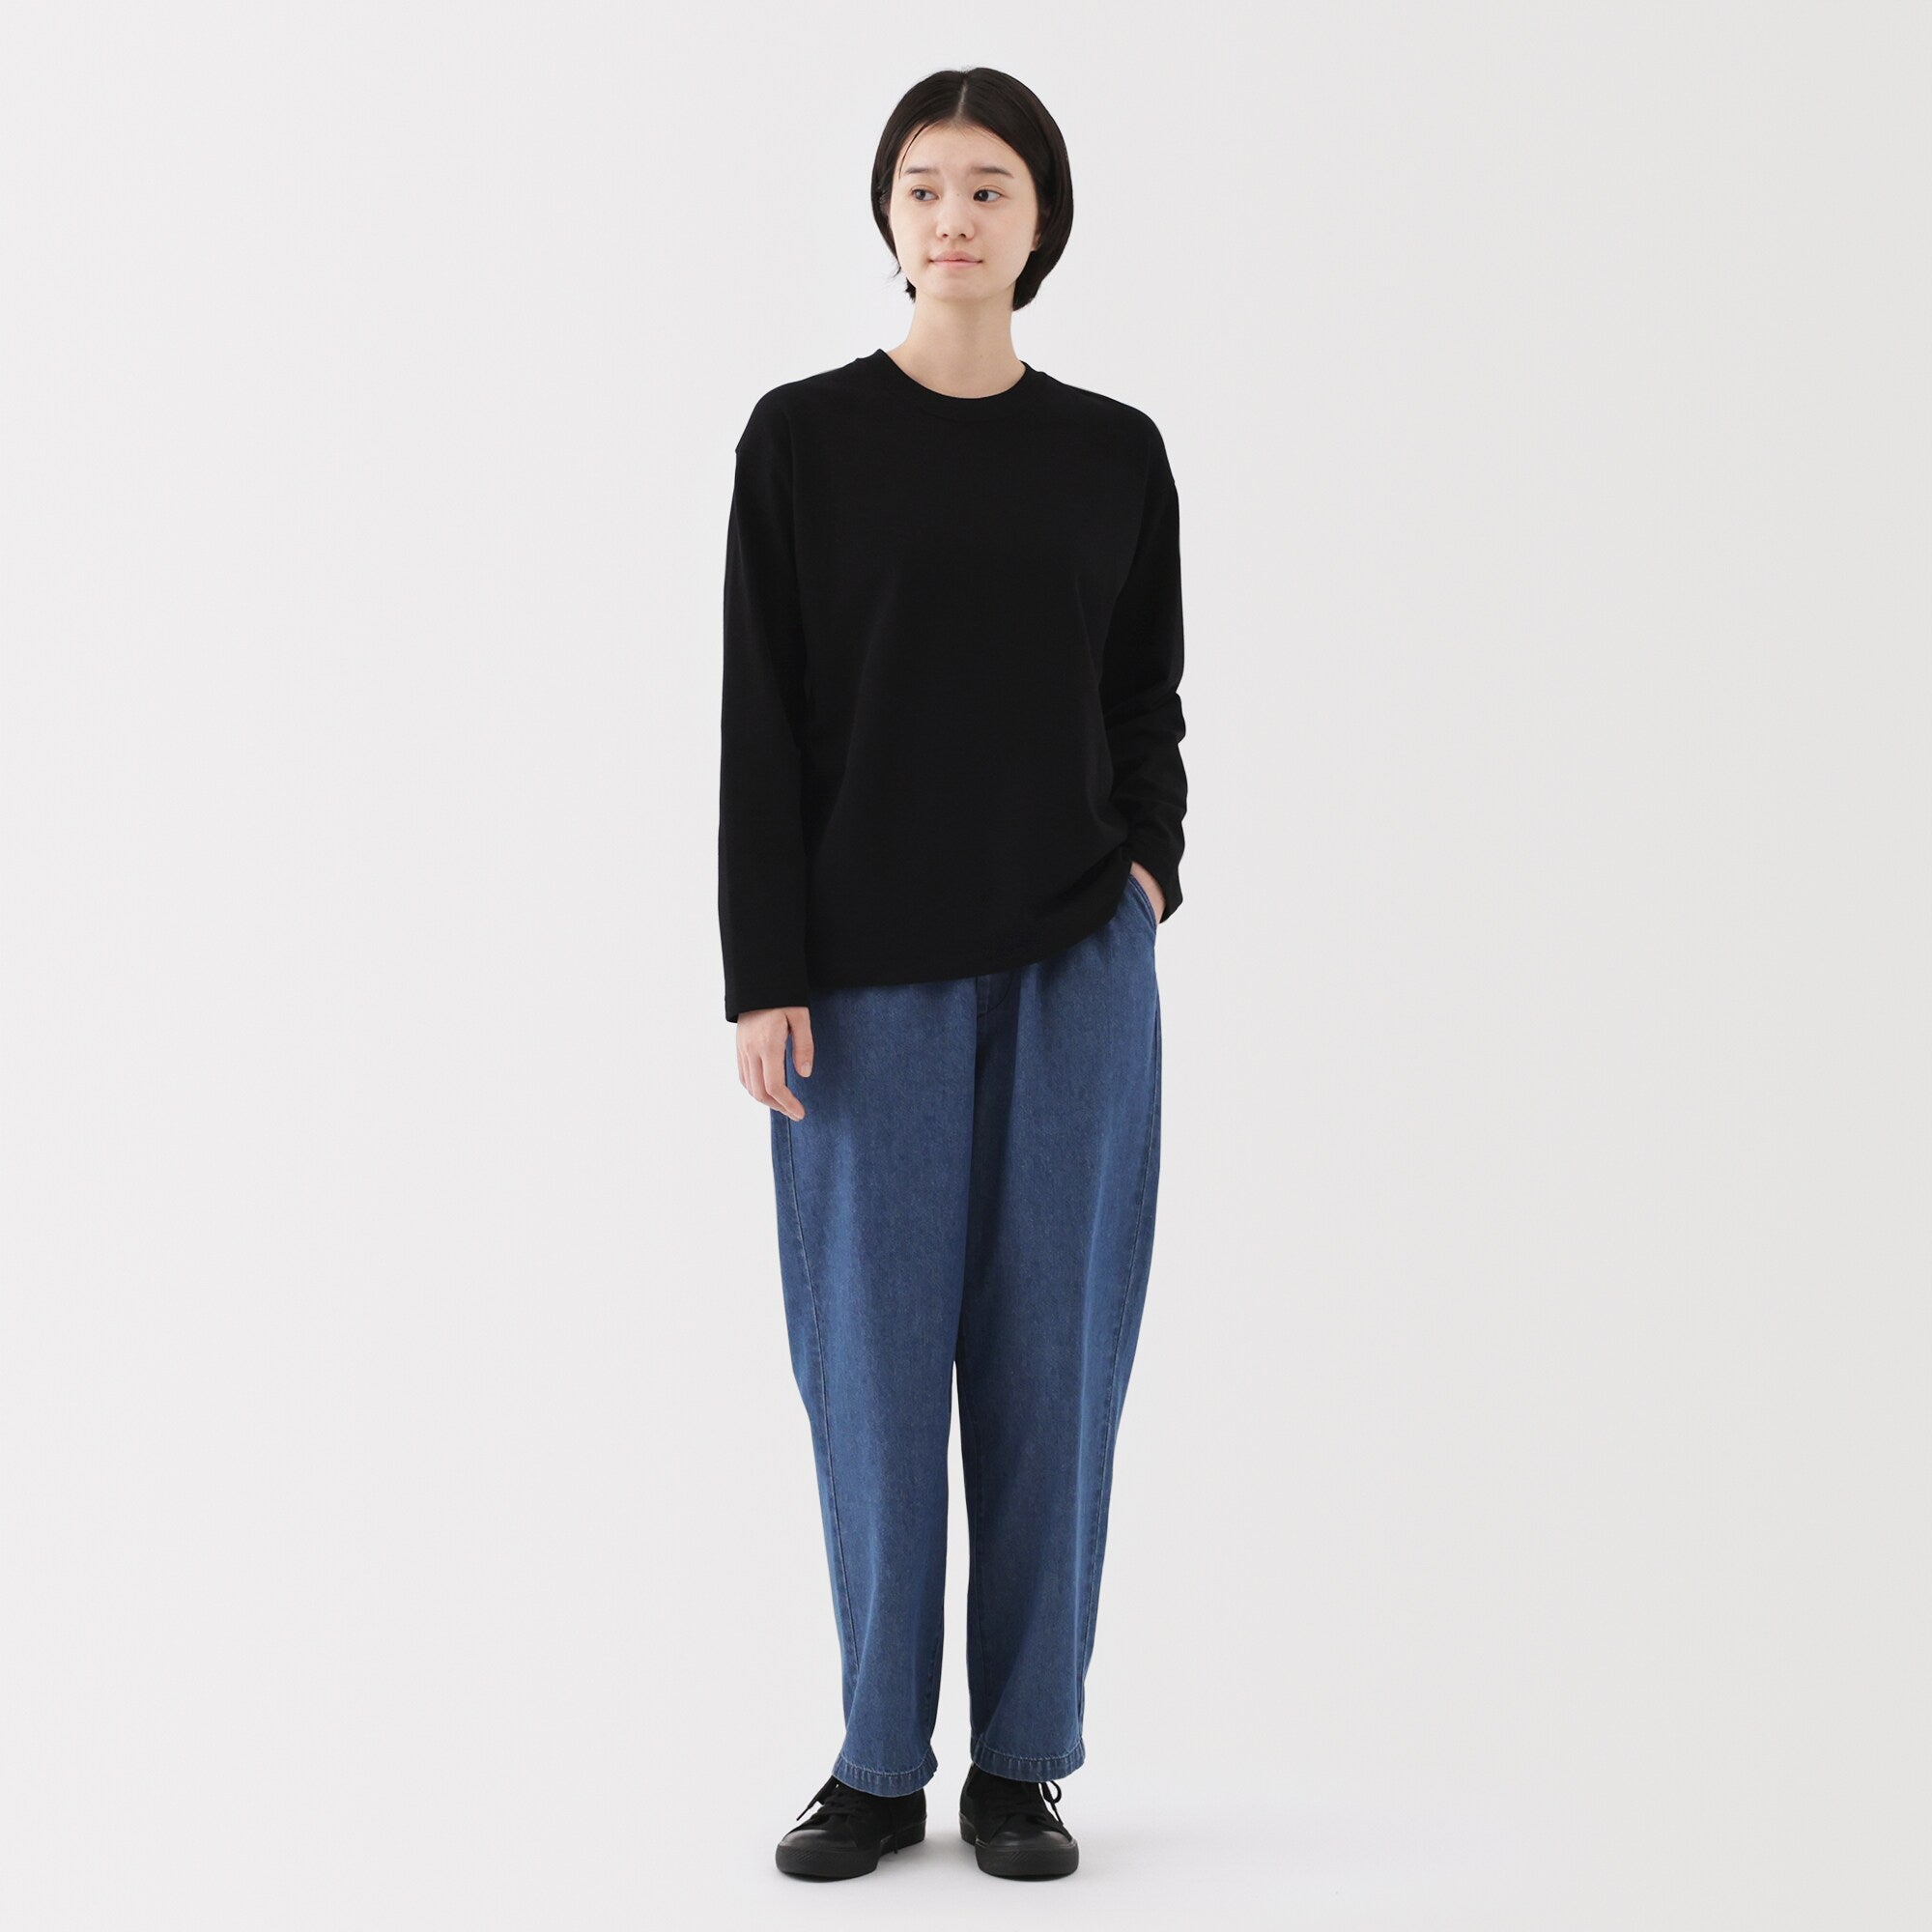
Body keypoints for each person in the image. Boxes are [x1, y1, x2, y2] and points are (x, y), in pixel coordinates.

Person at [717, 67, 1187, 1884]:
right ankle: (871, 1766)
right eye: (924, 185)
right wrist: (764, 970)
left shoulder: (1113, 453)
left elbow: (1144, 697)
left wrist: (1148, 870)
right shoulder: (803, 442)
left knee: (1054, 1374)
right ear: (888, 215)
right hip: (863, 982)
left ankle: (1022, 1766)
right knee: (874, 1380)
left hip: (1077, 966)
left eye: (990, 186)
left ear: (1041, 218)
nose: (955, 216)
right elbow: (762, 718)